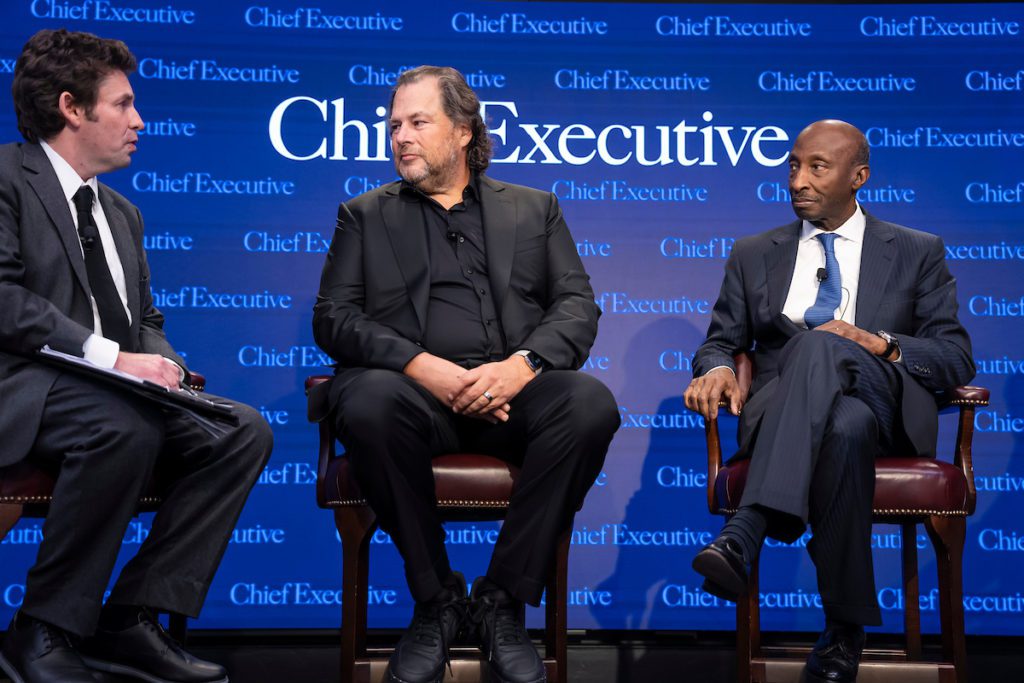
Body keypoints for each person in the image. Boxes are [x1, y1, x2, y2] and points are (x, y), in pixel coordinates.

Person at [309, 65, 619, 683]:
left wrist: (521, 367)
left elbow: (577, 307)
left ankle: (502, 600)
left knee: (589, 404)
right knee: (367, 401)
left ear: (463, 132)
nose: (401, 136)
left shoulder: (534, 209)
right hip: (414, 401)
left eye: (417, 123)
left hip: (511, 400)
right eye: (394, 125)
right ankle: (437, 600)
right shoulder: (364, 215)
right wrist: (422, 366)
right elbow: (333, 317)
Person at [0, 29, 273, 683]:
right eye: (122, 104)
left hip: (112, 390)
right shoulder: (7, 178)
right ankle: (41, 628)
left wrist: (164, 366)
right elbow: (4, 300)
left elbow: (143, 321)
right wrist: (113, 359)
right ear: (72, 107)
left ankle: (129, 619)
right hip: (25, 383)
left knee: (241, 431)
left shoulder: (122, 213)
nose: (139, 120)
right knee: (122, 425)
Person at [685, 120, 974, 683]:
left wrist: (878, 342)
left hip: (888, 407)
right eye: (793, 165)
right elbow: (719, 342)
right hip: (789, 411)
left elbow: (955, 358)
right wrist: (716, 367)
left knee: (822, 344)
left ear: (858, 177)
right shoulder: (753, 253)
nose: (798, 180)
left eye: (817, 167)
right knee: (843, 424)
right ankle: (845, 631)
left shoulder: (916, 251)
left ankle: (749, 527)